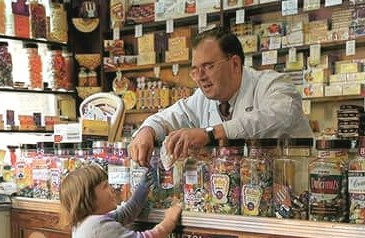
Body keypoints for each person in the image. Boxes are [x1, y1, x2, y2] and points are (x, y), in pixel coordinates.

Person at [129, 26, 313, 166]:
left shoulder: (273, 84)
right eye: (195, 69)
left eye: (208, 66)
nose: (200, 77)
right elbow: (168, 116)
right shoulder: (202, 98)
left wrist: (210, 134)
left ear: (234, 63)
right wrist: (147, 130)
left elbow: (278, 117)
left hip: (294, 195)